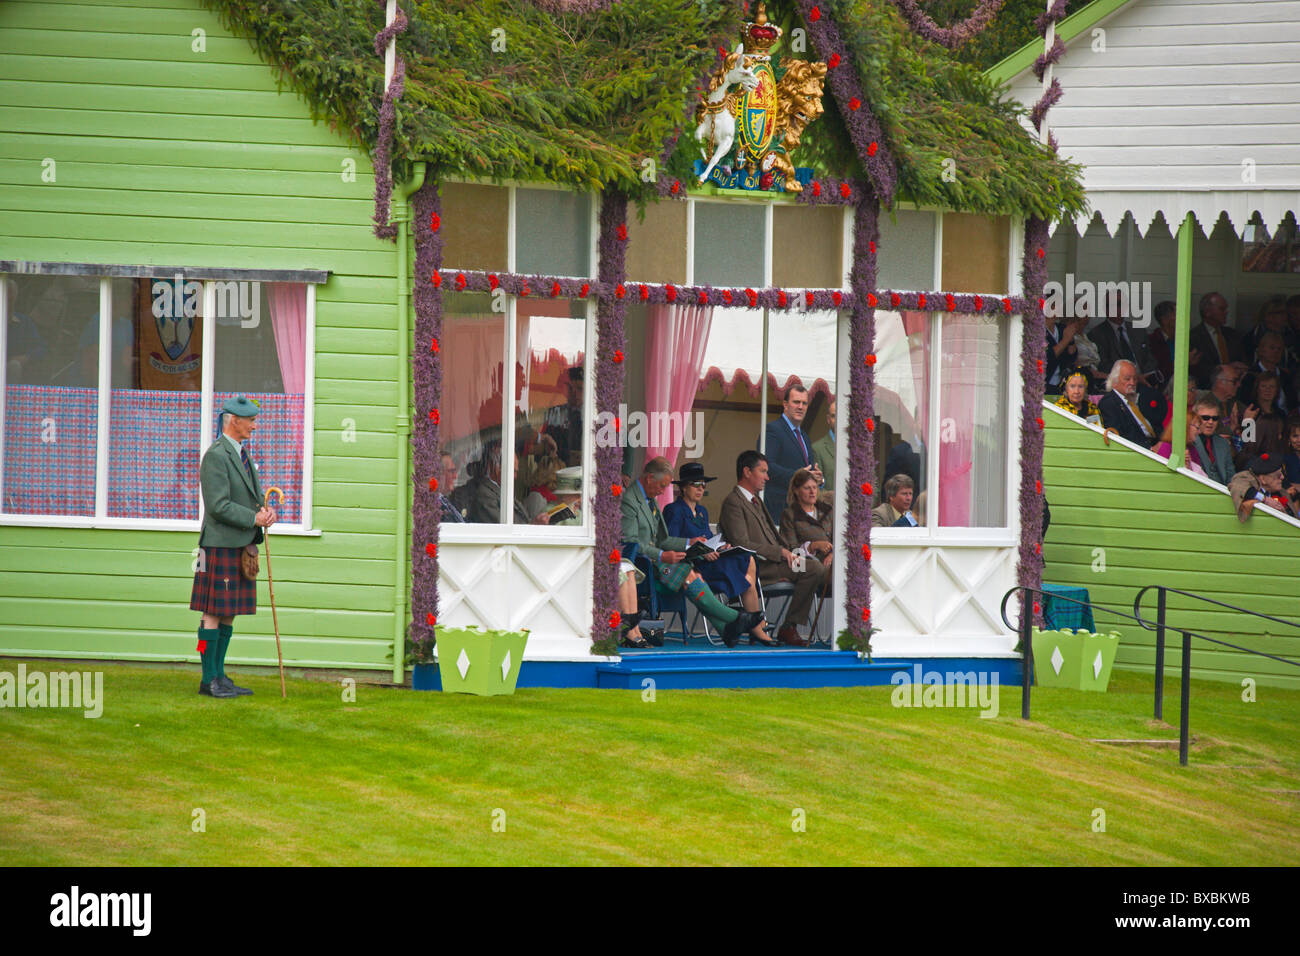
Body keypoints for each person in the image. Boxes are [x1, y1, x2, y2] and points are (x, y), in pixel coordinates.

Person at [190, 395, 277, 699]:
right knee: (211, 613)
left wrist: (264, 513)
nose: (254, 425)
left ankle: (220, 675)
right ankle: (206, 678)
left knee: (228, 613)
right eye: (250, 420)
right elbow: (217, 505)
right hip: (217, 546)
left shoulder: (241, 454)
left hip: (238, 545)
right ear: (233, 421)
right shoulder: (216, 455)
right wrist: (253, 517)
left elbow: (246, 499)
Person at [621, 456, 758, 648]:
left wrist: (689, 542)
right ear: (650, 478)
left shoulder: (650, 499)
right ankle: (735, 617)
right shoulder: (630, 500)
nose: (662, 491)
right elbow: (630, 543)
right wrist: (661, 555)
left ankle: (727, 629)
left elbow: (663, 539)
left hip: (659, 560)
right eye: (661, 486)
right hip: (644, 563)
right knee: (690, 574)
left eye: (666, 487)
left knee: (693, 575)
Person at [718, 450, 826, 647]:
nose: (768, 477)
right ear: (747, 472)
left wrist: (795, 552)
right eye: (763, 471)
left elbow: (774, 538)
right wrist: (781, 553)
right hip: (761, 568)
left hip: (778, 562)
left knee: (813, 565)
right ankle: (789, 628)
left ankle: (789, 626)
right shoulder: (733, 502)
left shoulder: (755, 499)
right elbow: (742, 543)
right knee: (814, 569)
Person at [663, 461, 777, 646]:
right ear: (683, 488)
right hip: (692, 564)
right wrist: (701, 552)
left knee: (747, 558)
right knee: (745, 575)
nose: (701, 489)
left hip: (710, 560)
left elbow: (708, 539)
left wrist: (720, 546)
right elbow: (670, 543)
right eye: (695, 484)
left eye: (703, 485)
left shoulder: (701, 511)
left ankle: (754, 626)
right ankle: (753, 625)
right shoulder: (673, 510)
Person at [760, 384, 819, 526]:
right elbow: (767, 467)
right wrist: (797, 475)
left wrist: (816, 477)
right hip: (779, 510)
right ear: (785, 405)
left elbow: (806, 470)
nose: (800, 407)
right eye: (796, 402)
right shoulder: (773, 430)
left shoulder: (804, 436)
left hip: (801, 511)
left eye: (804, 403)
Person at [1097, 359, 1166, 449]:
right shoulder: (1109, 403)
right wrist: (1150, 449)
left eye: (1135, 379)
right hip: (1141, 452)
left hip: (1156, 444)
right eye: (1127, 379)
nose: (1132, 383)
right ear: (1114, 381)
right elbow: (1119, 439)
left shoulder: (1137, 398)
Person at [779, 468, 834, 564]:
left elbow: (841, 540)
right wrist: (812, 546)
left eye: (814, 487)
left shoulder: (828, 510)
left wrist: (832, 555)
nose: (812, 492)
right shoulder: (790, 515)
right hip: (805, 568)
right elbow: (790, 553)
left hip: (833, 565)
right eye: (807, 488)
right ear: (796, 491)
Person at [1190, 292, 1243, 388]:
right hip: (1207, 390)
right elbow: (1196, 370)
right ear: (1207, 312)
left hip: (1235, 388)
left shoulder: (1233, 335)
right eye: (1222, 309)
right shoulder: (1193, 337)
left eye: (1226, 309)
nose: (1226, 312)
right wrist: (1226, 369)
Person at [1237, 371, 1288, 468]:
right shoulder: (1249, 411)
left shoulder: (1281, 414)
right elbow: (1246, 443)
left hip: (1278, 459)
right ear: (1257, 389)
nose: (1267, 390)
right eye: (1263, 386)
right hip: (1255, 461)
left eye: (1272, 386)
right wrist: (1247, 422)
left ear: (1277, 390)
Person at [1239, 331, 1296, 415]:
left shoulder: (1286, 376)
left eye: (1279, 349)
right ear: (1261, 350)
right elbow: (1246, 403)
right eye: (1272, 348)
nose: (1276, 352)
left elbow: (1293, 403)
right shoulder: (1250, 376)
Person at [1228, 455, 1299, 521]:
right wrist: (1264, 499)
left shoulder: (1282, 492)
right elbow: (1238, 486)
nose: (1282, 477)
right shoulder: (1246, 480)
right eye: (1278, 475)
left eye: (1282, 473)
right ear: (1263, 479)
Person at [1185, 394, 1234, 486]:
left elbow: (1230, 475)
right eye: (1205, 418)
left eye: (1215, 418)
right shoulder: (1188, 441)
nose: (1210, 422)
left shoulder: (1223, 443)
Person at [542, 366, 584, 467]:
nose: (574, 393)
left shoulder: (594, 414)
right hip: (559, 471)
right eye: (570, 388)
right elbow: (545, 447)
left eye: (580, 389)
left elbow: (622, 439)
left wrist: (625, 472)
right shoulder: (556, 412)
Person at [1044, 314, 1086, 395]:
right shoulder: (1037, 331)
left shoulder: (1061, 328)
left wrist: (1070, 340)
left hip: (1061, 383)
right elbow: (1048, 356)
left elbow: (1071, 356)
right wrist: (1066, 340)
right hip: (1044, 384)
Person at [1144, 300, 1182, 389]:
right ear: (1165, 320)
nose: (1183, 319)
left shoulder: (1186, 340)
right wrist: (1183, 363)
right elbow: (1159, 373)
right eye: (1178, 315)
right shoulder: (1152, 342)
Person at [811, 398, 837, 502]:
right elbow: (816, 488)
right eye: (834, 416)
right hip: (830, 512)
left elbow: (873, 485)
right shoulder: (817, 448)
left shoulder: (859, 446)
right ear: (828, 419)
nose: (839, 419)